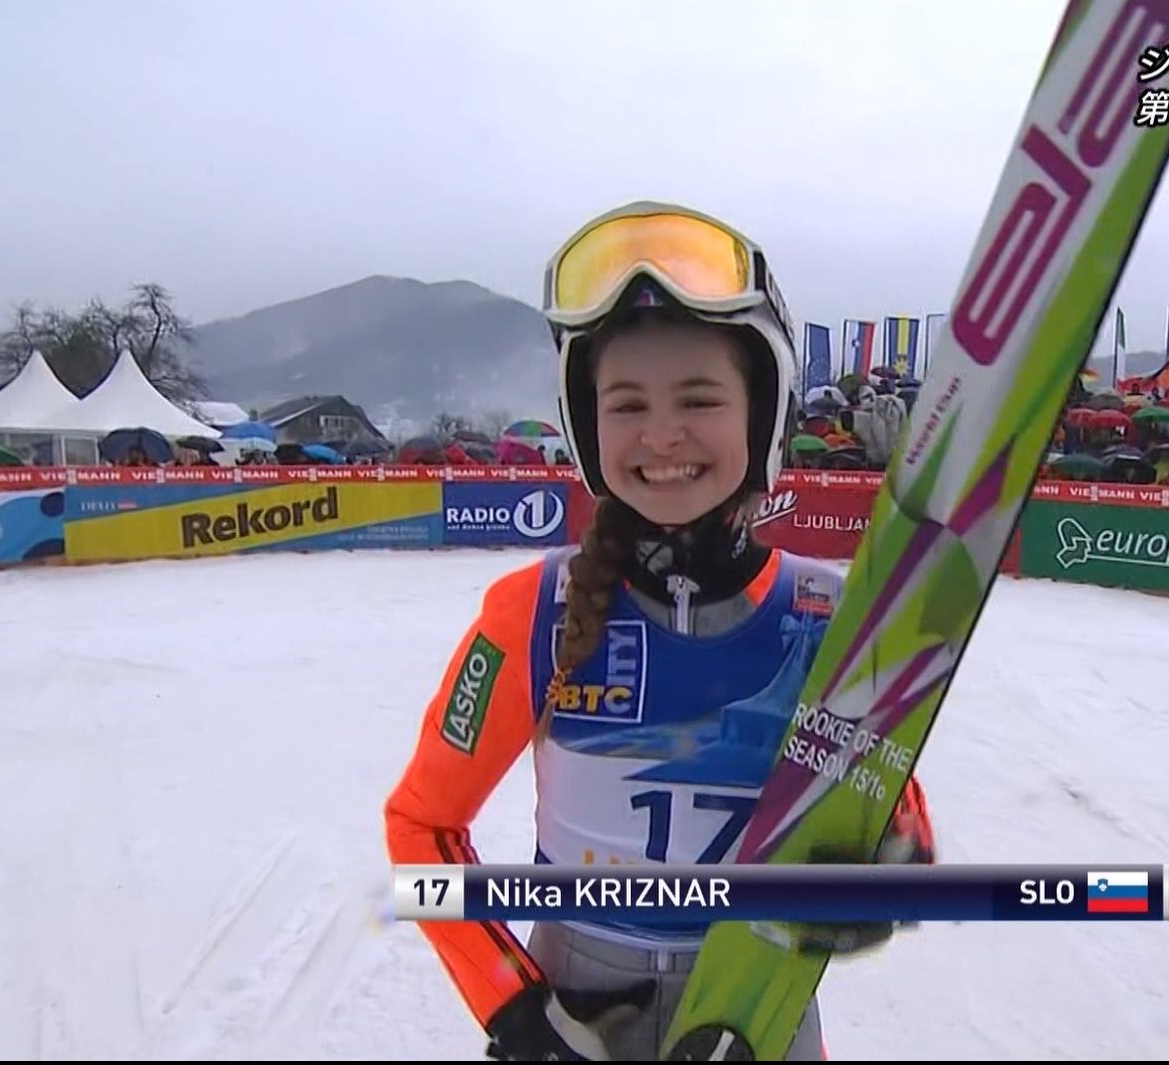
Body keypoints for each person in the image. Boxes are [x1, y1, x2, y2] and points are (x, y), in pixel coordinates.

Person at [384, 202, 936, 1061]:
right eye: (627, 403)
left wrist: (889, 869)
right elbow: (422, 827)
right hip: (579, 1022)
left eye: (699, 398)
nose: (662, 434)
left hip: (756, 1016)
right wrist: (517, 1011)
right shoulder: (535, 613)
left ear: (761, 414)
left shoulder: (827, 620)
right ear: (587, 423)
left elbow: (898, 820)